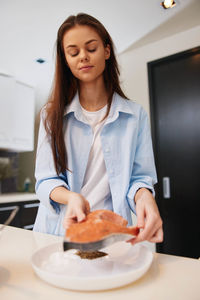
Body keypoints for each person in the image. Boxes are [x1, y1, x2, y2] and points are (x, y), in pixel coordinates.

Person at [33, 13, 163, 246]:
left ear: (106, 51)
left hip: (111, 235)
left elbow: (139, 178)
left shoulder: (135, 116)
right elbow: (45, 180)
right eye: (73, 52)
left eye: (91, 48)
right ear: (66, 60)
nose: (83, 56)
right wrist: (71, 197)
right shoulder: (50, 116)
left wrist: (145, 197)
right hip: (58, 233)